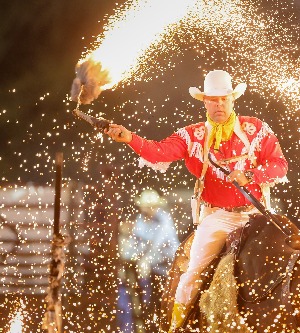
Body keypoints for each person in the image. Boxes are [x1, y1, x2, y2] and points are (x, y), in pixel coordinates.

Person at [105, 70, 288, 332]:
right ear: (204, 102)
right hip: (219, 217)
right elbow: (158, 152)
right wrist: (130, 138)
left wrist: (251, 175)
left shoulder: (256, 128)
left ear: (232, 99)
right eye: (213, 100)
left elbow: (280, 165)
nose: (219, 105)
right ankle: (176, 328)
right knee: (191, 275)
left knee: (291, 253)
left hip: (258, 215)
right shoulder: (192, 136)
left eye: (223, 99)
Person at [118, 189, 180, 333]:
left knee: (160, 302)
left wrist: (144, 260)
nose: (148, 209)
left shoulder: (164, 219)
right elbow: (136, 242)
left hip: (168, 268)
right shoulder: (141, 219)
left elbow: (156, 245)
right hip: (152, 268)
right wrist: (127, 257)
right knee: (148, 302)